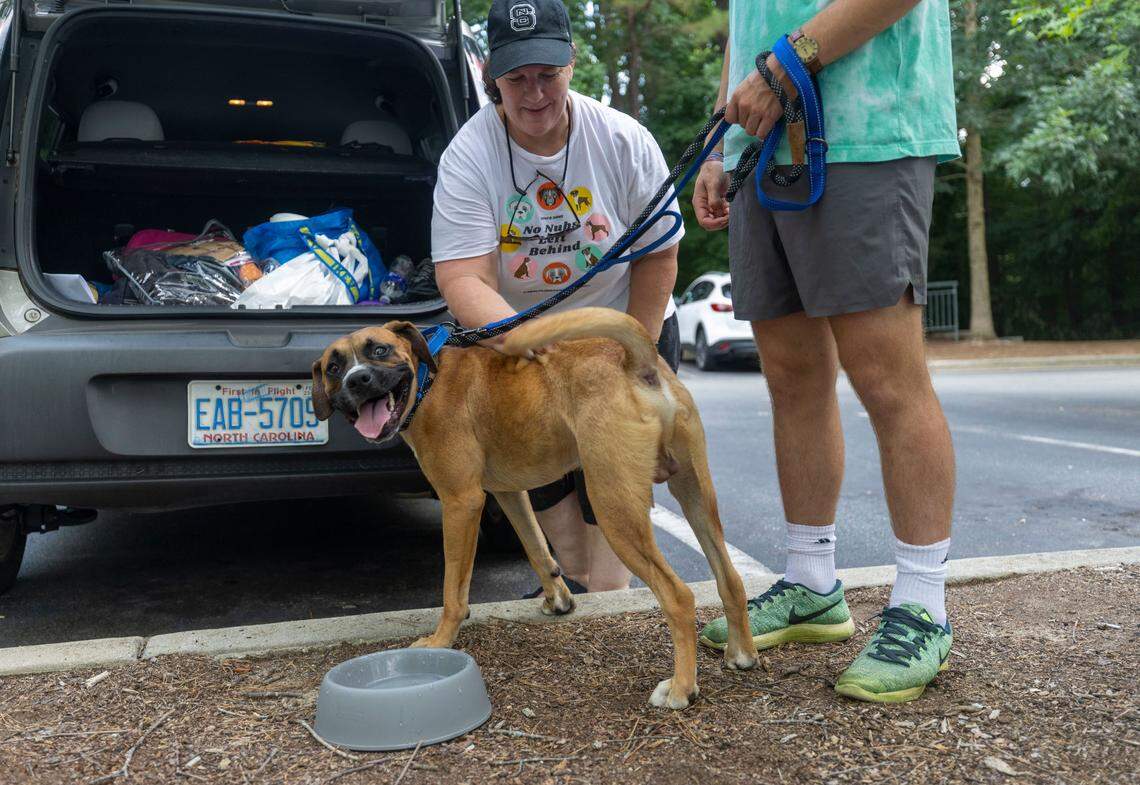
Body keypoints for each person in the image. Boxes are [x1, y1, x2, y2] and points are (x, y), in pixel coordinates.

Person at [694, 0, 960, 703]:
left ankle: (923, 604)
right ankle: (812, 581)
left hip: (866, 133)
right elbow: (744, 18)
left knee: (887, 378)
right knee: (791, 376)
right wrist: (724, 142)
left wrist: (785, 66)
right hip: (761, 141)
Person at [430, 0, 683, 594]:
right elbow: (464, 279)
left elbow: (660, 253)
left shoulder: (623, 139)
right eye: (516, 79)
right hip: (520, 336)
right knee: (542, 480)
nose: (534, 93)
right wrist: (536, 350)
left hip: (625, 321)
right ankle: (573, 585)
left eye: (548, 74)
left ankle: (608, 602)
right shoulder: (468, 156)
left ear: (572, 62)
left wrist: (633, 354)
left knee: (613, 493)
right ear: (490, 74)